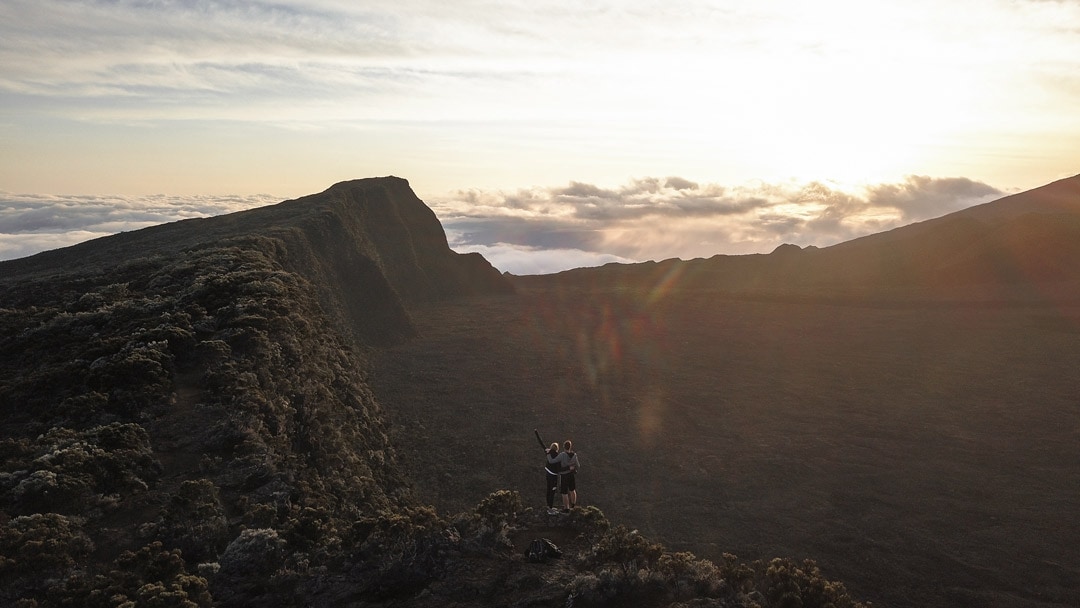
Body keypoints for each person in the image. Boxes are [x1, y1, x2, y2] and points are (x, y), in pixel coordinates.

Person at [555, 439, 580, 511]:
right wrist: (573, 468)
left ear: (564, 446)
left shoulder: (562, 455)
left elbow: (553, 461)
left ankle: (566, 508)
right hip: (571, 475)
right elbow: (578, 465)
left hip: (564, 476)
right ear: (570, 447)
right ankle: (573, 505)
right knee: (572, 490)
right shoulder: (574, 455)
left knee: (564, 493)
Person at [544, 442, 561, 515]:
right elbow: (559, 467)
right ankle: (550, 509)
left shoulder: (549, 453)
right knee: (552, 491)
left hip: (548, 474)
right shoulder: (557, 456)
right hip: (553, 476)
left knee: (548, 489)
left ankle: (548, 506)